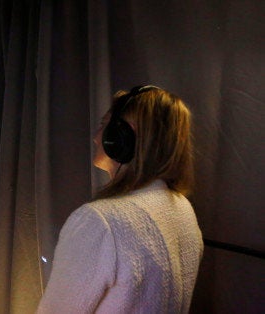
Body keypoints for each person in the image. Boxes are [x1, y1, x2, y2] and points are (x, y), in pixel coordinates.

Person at [36, 85, 204, 313]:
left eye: (104, 126)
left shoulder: (99, 222)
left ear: (123, 136)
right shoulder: (182, 209)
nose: (96, 138)